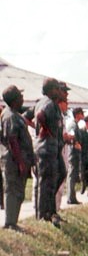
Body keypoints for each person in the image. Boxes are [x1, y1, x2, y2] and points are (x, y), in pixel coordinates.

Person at [33, 77, 68, 226]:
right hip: (47, 148)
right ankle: (43, 215)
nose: (60, 92)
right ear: (51, 90)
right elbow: (40, 116)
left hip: (54, 148)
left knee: (60, 174)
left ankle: (51, 210)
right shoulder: (47, 103)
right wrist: (45, 131)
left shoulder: (51, 104)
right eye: (57, 89)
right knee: (46, 182)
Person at [0, 86, 34, 230]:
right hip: (13, 161)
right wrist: (20, 162)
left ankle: (14, 221)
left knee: (19, 192)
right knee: (12, 190)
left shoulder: (15, 114)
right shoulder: (9, 116)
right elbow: (12, 140)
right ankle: (10, 223)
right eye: (20, 96)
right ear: (14, 99)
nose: (22, 98)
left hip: (20, 160)